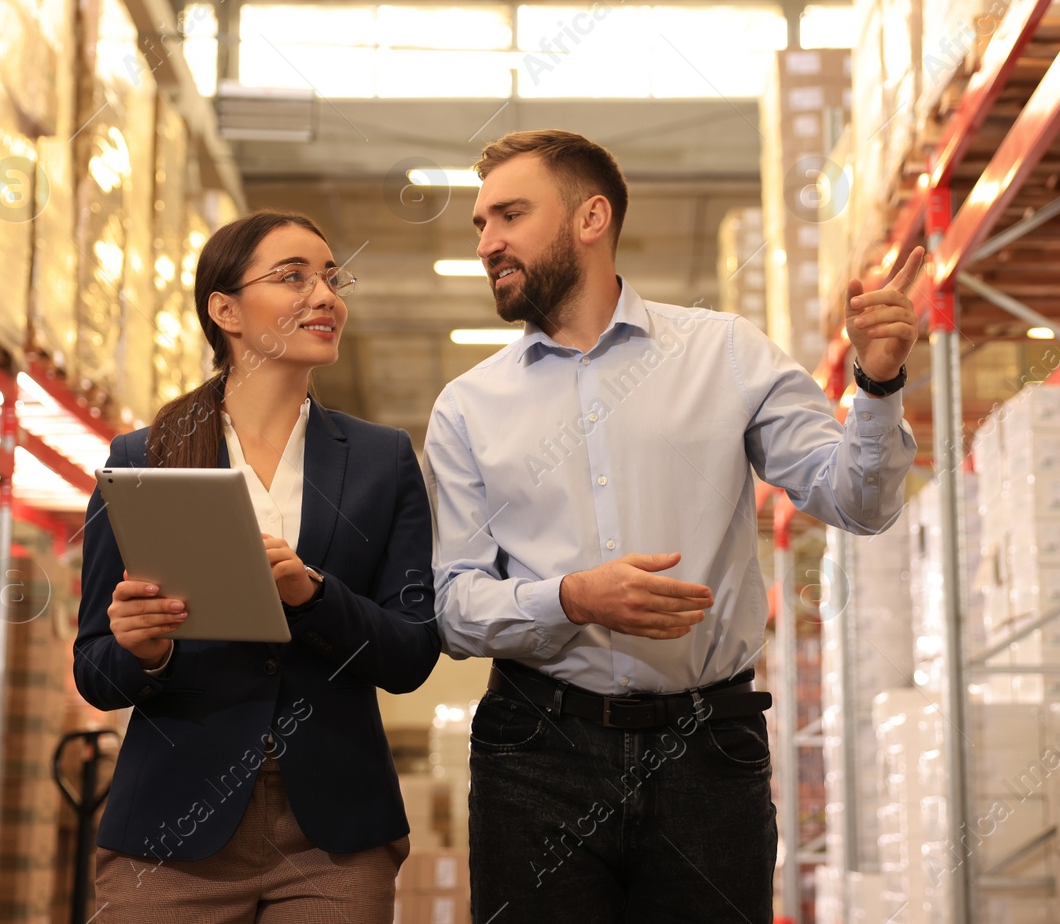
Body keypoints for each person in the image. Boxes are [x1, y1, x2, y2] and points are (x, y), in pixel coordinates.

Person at [423, 129, 921, 922]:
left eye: (509, 215)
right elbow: (452, 607)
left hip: (707, 752)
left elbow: (857, 502)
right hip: (536, 755)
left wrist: (880, 383)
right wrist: (571, 598)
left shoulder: (725, 354)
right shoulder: (467, 408)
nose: (489, 241)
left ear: (592, 218)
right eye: (480, 225)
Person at [75, 210, 440, 923]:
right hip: (171, 830)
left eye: (333, 278)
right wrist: (142, 650)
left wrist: (313, 595)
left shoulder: (382, 460)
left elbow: (412, 650)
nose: (325, 295)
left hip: (332, 836)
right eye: (294, 276)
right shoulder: (142, 459)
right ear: (225, 310)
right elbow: (94, 667)